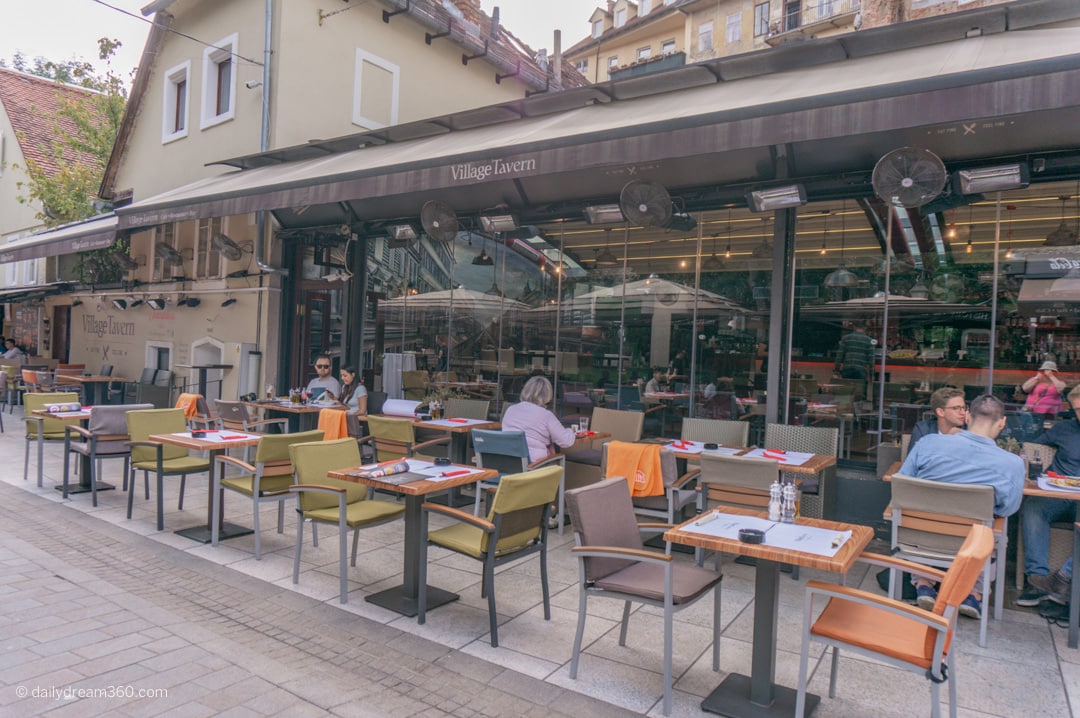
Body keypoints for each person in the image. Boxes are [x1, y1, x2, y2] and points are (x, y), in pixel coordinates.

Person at [898, 394, 1024, 619]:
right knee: (994, 531)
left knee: (921, 517)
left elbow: (904, 483)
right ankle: (974, 593)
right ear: (1002, 423)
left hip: (923, 538)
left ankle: (923, 583)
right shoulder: (1012, 464)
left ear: (967, 416)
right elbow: (1008, 510)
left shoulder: (928, 443)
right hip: (971, 546)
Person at [1017, 384, 1080, 608]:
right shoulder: (1065, 429)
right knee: (1034, 508)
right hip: (1060, 493)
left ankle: (1063, 577)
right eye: (1077, 410)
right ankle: (1037, 580)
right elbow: (1033, 447)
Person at [501, 375, 577, 463]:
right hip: (534, 466)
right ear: (547, 395)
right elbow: (565, 441)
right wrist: (571, 431)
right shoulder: (546, 415)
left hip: (508, 461)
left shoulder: (511, 410)